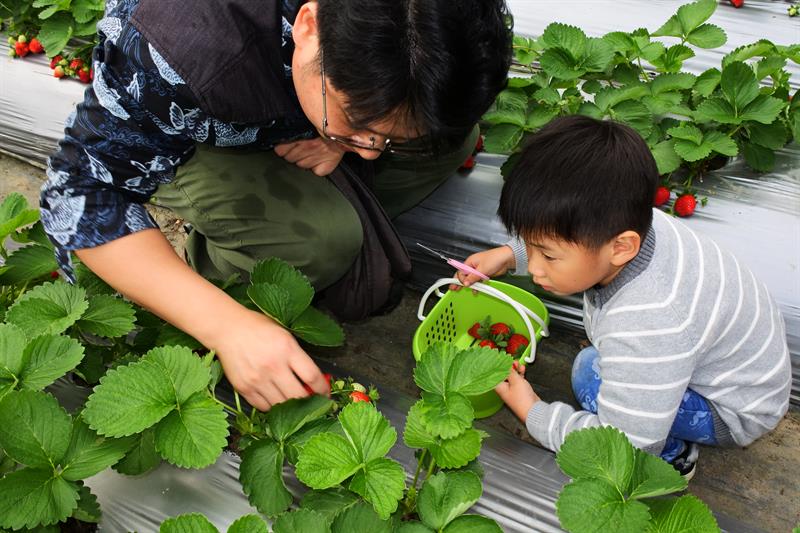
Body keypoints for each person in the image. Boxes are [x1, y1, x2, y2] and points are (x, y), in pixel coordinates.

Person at [40, 0, 512, 411]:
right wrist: (224, 326)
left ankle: (328, 203)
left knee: (453, 140)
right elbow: (79, 189)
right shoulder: (179, 51)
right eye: (356, 119)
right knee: (324, 239)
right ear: (309, 27)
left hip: (288, 97)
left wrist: (339, 137)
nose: (371, 150)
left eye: (385, 138)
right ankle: (224, 279)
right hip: (196, 123)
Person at [456, 116, 791, 477]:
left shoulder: (650, 319)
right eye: (530, 246)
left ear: (621, 247)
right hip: (725, 365)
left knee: (589, 375)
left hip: (733, 410)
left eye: (548, 256)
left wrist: (532, 410)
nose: (536, 270)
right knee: (602, 359)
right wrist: (509, 255)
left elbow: (628, 440)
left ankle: (671, 458)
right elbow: (559, 235)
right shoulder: (634, 222)